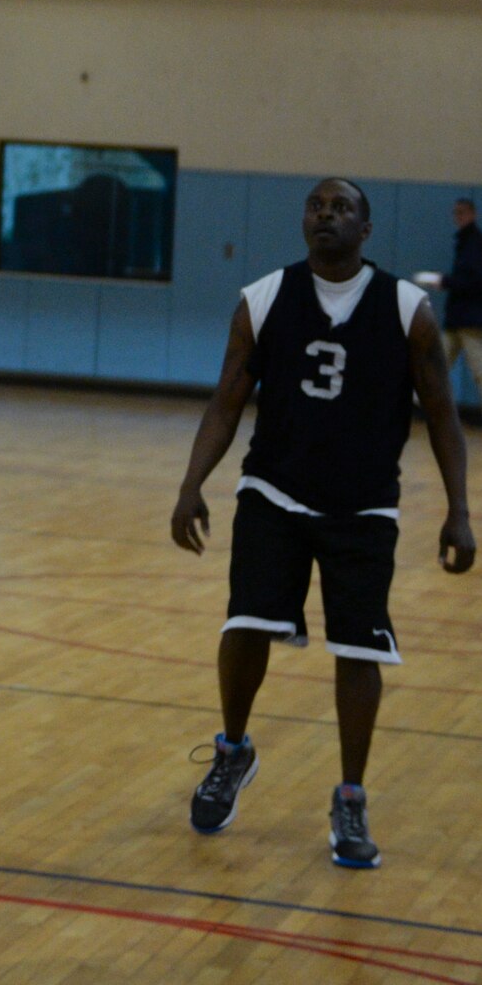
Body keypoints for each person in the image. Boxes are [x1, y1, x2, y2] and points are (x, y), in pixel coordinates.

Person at [171, 178, 474, 869]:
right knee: (243, 625)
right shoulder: (262, 299)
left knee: (359, 651)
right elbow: (225, 401)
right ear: (303, 220)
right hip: (272, 491)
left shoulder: (407, 310)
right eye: (316, 206)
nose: (326, 216)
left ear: (365, 229)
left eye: (341, 209)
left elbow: (442, 416)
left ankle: (349, 796)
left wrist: (459, 511)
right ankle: (231, 751)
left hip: (362, 505)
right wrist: (191, 485)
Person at [434, 200, 482, 397]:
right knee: (436, 366)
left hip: (470, 318)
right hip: (457, 317)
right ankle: (415, 406)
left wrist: (446, 282)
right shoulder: (465, 241)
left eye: (462, 213)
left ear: (473, 214)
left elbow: (475, 281)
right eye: (456, 213)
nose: (458, 217)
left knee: (479, 370)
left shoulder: (474, 243)